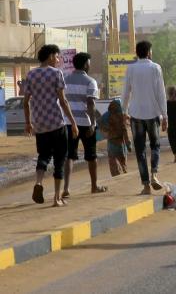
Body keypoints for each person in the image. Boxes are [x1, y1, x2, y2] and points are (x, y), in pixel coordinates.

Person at [24, 44, 79, 207]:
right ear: (50, 57)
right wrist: (74, 123)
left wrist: (28, 122)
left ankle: (39, 182)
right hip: (57, 123)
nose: (58, 60)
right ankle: (56, 198)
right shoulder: (56, 73)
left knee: (43, 156)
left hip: (40, 125)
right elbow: (62, 101)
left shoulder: (31, 74)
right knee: (60, 160)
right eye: (56, 56)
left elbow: (25, 102)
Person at [122, 41, 168, 195]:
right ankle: (154, 174)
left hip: (136, 115)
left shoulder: (131, 68)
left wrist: (124, 111)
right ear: (149, 52)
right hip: (153, 113)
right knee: (155, 146)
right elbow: (161, 93)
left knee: (140, 150)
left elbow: (126, 92)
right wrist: (165, 115)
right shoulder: (155, 68)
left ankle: (146, 185)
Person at [62, 52, 107, 198]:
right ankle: (94, 186)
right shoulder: (90, 81)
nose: (90, 65)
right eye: (89, 62)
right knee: (91, 155)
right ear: (85, 64)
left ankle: (66, 188)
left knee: (69, 155)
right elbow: (91, 103)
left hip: (69, 123)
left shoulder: (65, 80)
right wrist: (93, 123)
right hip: (86, 123)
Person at [100, 99, 130, 176]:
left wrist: (106, 131)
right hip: (120, 143)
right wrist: (128, 144)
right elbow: (125, 131)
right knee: (123, 163)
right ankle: (123, 172)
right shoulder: (122, 115)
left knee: (113, 163)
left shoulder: (107, 115)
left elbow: (99, 123)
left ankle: (116, 175)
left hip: (111, 143)